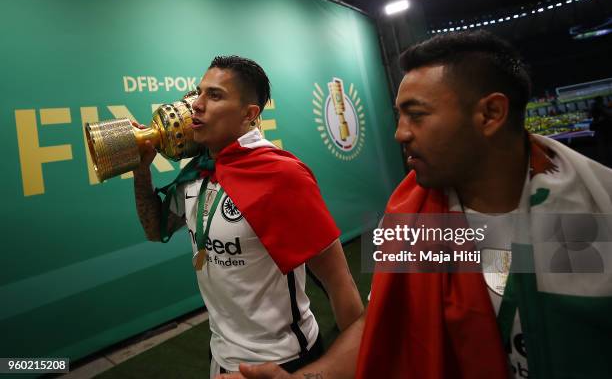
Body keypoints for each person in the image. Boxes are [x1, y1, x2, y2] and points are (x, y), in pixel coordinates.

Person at [219, 31, 612, 379]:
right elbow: (385, 321)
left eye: (417, 116)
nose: (399, 133)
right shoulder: (416, 211)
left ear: (491, 113)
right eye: (398, 116)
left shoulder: (595, 213)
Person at [133, 55, 364, 378]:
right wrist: (141, 169)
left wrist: (355, 364)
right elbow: (155, 228)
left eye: (214, 96)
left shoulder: (281, 176)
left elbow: (339, 281)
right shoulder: (197, 173)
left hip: (285, 361)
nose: (196, 105)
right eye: (198, 93)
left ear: (249, 114)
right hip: (221, 357)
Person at [591, 96, 612, 167]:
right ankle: (605, 160)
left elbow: (589, 116)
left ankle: (603, 161)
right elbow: (609, 114)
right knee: (607, 144)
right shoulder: (601, 107)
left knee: (602, 145)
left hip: (600, 128)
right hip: (605, 128)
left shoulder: (594, 107)